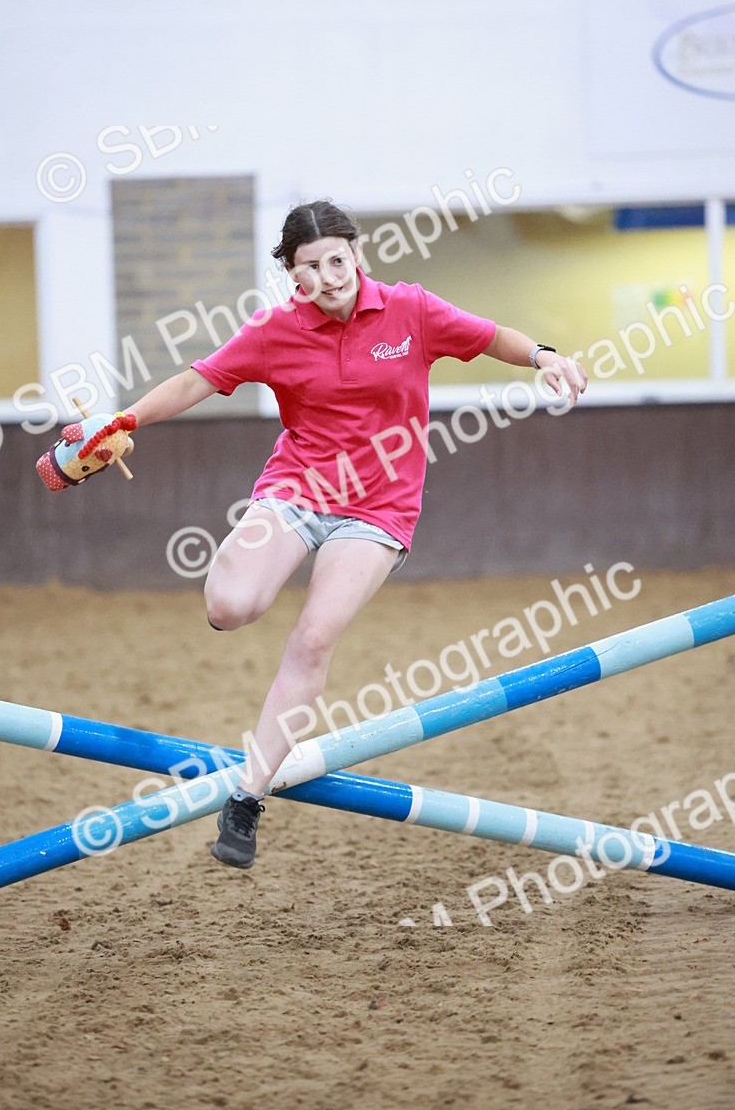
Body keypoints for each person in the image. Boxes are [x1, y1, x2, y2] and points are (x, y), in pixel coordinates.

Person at [124, 199, 588, 870]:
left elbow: (489, 337)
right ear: (293, 275)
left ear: (357, 255)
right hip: (297, 489)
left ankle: (247, 798)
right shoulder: (274, 330)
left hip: (377, 510)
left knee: (314, 636)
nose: (329, 275)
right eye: (310, 267)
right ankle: (240, 579)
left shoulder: (411, 310)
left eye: (338, 259)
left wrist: (544, 356)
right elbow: (198, 380)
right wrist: (125, 422)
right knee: (230, 606)